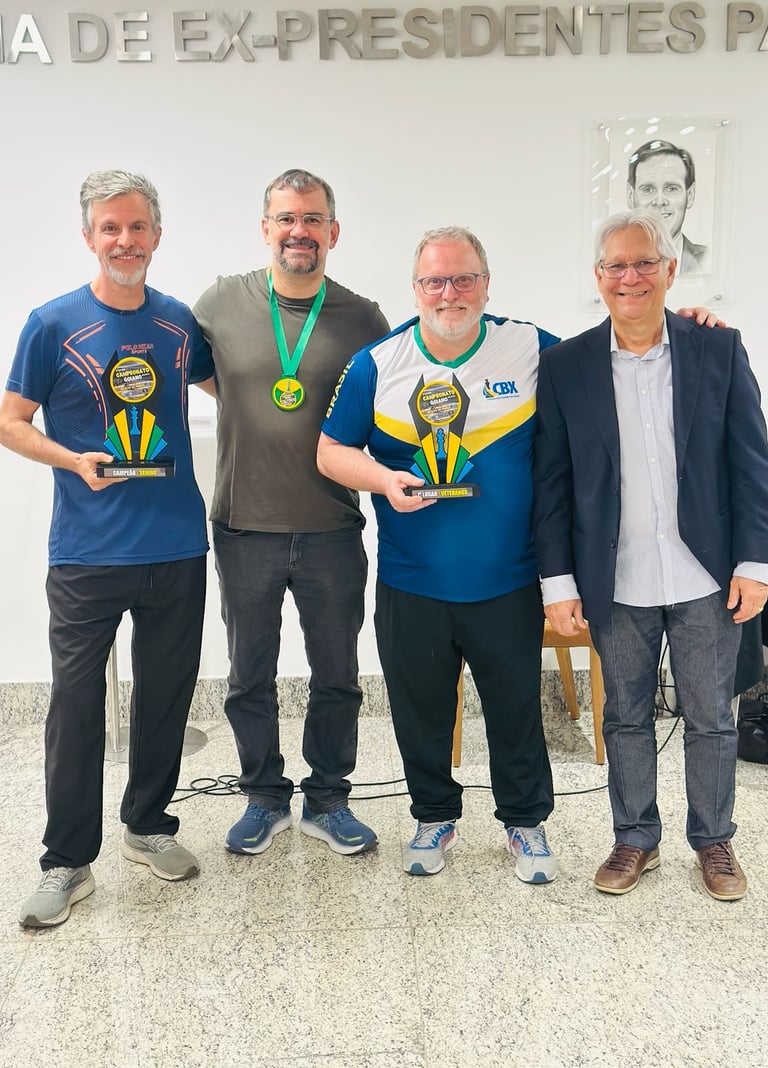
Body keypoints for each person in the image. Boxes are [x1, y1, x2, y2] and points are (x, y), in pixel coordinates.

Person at [534, 207, 768, 901]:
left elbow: (751, 465)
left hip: (706, 574)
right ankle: (635, 838)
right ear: (598, 277)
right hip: (615, 576)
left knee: (711, 717)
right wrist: (557, 581)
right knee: (625, 717)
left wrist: (755, 563)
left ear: (669, 270)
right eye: (616, 266)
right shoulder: (566, 365)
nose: (630, 277)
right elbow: (552, 482)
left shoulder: (717, 350)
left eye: (644, 263)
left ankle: (714, 839)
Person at [0, 170, 211, 927]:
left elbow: (239, 389)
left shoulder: (180, 322)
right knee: (74, 707)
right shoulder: (51, 323)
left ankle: (148, 826)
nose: (126, 241)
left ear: (157, 234)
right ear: (89, 236)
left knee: (165, 696)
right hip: (87, 554)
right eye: (111, 228)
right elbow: (11, 421)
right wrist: (71, 460)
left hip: (178, 546)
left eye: (137, 227)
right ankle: (65, 861)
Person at [317, 226, 560, 881]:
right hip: (413, 581)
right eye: (435, 281)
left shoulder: (529, 346)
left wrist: (684, 323)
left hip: (508, 580)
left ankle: (525, 823)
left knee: (515, 711)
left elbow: (609, 361)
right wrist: (382, 479)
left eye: (463, 278)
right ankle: (433, 818)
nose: (449, 293)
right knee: (420, 712)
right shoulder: (378, 363)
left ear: (486, 283)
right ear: (416, 288)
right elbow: (330, 452)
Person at [193, 169, 389, 857]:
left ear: (332, 231)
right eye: (286, 218)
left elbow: (392, 402)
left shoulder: (364, 318)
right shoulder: (222, 301)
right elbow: (195, 371)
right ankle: (263, 796)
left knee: (337, 673)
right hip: (245, 525)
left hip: (332, 527)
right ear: (266, 228)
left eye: (311, 219)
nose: (298, 231)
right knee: (249, 675)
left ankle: (328, 799)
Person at [627, 139, 709, 275]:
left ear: (690, 195)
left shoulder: (709, 259)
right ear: (631, 196)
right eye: (648, 189)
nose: (659, 201)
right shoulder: (610, 261)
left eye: (671, 188)